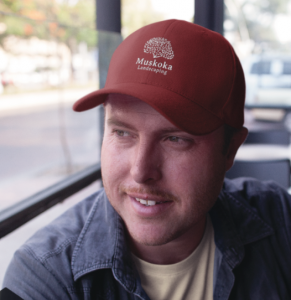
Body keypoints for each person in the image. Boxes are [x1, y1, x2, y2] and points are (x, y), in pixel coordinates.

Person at [2, 19, 291, 300]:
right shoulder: (47, 274)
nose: (141, 171)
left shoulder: (279, 218)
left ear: (230, 150)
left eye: (175, 139)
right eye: (122, 132)